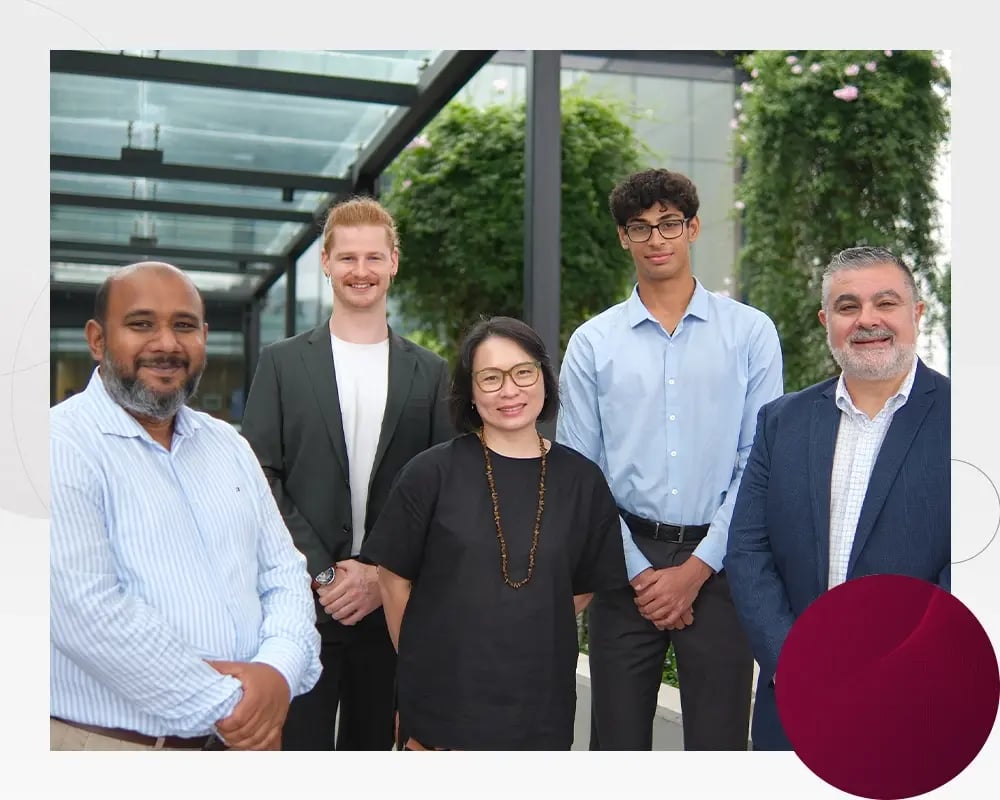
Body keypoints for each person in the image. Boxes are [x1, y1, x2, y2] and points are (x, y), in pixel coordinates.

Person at [50, 261, 321, 752]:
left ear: (204, 337)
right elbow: (85, 614)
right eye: (141, 324)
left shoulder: (229, 446)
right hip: (113, 748)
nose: (167, 344)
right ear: (97, 339)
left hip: (236, 744)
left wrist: (279, 671)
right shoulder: (56, 443)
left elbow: (283, 573)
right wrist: (238, 709)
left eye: (184, 325)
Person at [556, 168, 784, 751]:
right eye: (640, 228)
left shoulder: (751, 333)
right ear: (623, 238)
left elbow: (758, 462)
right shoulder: (592, 343)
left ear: (693, 227)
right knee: (617, 746)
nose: (656, 239)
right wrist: (638, 570)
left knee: (719, 745)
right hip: (622, 562)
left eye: (669, 224)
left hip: (723, 561)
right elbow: (583, 471)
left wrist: (698, 568)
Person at [239, 196, 455, 751]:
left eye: (374, 258)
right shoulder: (282, 363)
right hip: (300, 606)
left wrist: (379, 575)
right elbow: (258, 473)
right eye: (349, 258)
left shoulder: (429, 372)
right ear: (327, 263)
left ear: (393, 263)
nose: (362, 271)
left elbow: (443, 488)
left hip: (391, 609)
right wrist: (327, 574)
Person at [360, 316, 628, 750]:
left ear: (544, 377)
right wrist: (422, 668)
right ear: (469, 391)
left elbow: (580, 587)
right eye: (490, 378)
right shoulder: (430, 473)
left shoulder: (582, 480)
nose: (510, 390)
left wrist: (521, 618)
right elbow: (392, 580)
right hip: (443, 704)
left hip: (541, 705)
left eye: (523, 372)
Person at [725, 245, 951, 751]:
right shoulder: (781, 421)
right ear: (827, 320)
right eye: (848, 307)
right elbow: (747, 550)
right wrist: (793, 661)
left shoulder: (972, 421)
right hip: (797, 702)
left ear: (916, 313)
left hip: (918, 703)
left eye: (886, 303)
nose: (867, 320)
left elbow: (976, 559)